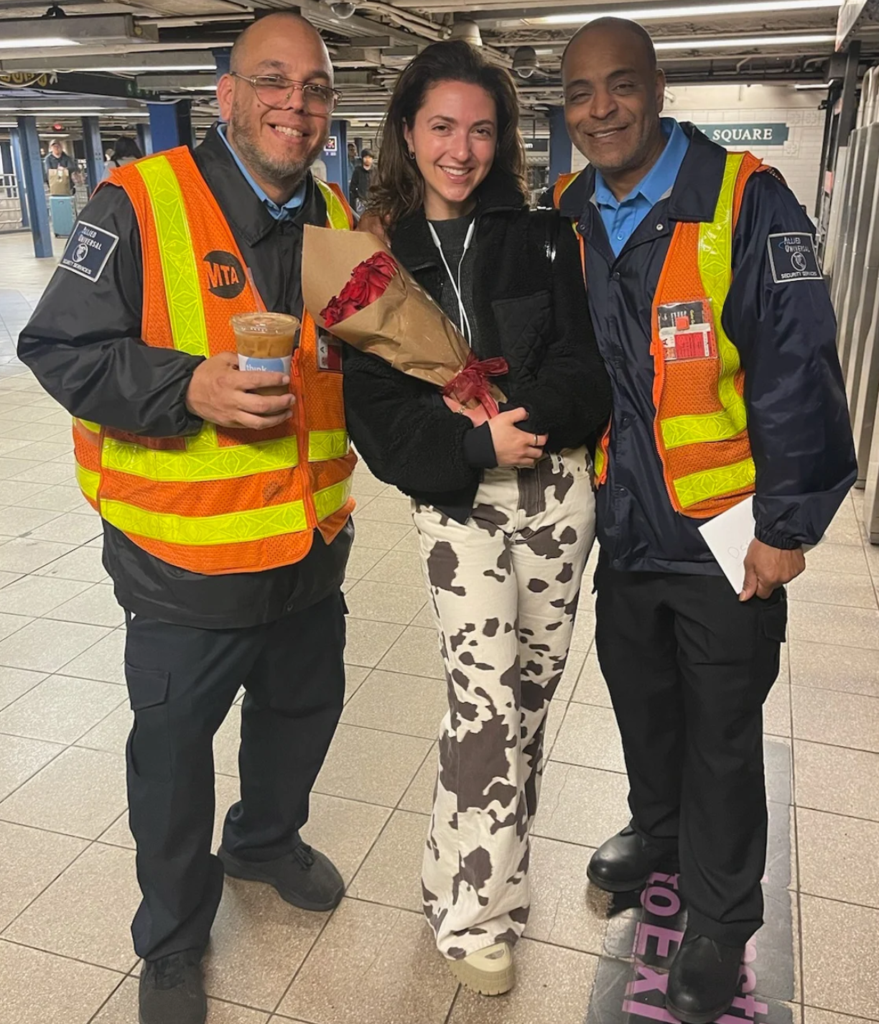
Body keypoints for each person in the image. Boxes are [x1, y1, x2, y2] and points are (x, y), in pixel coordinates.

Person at [19, 13, 356, 1024]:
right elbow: (59, 348)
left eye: (314, 88)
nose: (295, 104)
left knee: (300, 715)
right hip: (182, 558)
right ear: (227, 96)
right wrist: (187, 387)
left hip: (308, 545)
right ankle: (171, 937)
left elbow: (359, 360)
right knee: (171, 757)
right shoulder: (137, 201)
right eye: (272, 81)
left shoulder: (335, 214)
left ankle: (263, 840)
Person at [551, 17, 857, 1024]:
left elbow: (797, 367)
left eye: (620, 85)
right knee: (641, 704)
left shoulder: (745, 200)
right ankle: (659, 832)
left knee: (722, 734)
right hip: (626, 527)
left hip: (726, 537)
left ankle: (722, 920)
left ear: (657, 87)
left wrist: (787, 525)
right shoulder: (571, 210)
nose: (601, 109)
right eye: (581, 92)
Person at [344, 39, 611, 996]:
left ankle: (459, 873)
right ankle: (475, 918)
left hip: (554, 495)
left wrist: (516, 424)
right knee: (483, 706)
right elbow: (377, 416)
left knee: (524, 706)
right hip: (458, 505)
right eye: (442, 127)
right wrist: (471, 447)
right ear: (407, 132)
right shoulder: (370, 259)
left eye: (481, 130)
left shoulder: (542, 237)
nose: (461, 150)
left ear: (502, 140)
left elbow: (587, 371)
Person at [348, 147, 374, 212]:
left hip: (373, 202)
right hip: (360, 202)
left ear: (372, 159)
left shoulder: (376, 171)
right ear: (362, 158)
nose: (367, 159)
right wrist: (357, 197)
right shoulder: (357, 171)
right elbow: (352, 187)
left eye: (369, 157)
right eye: (365, 157)